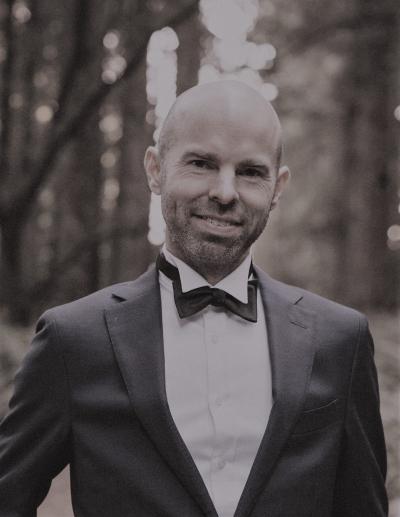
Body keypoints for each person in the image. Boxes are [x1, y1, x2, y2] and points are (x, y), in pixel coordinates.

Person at [0, 80, 387, 517]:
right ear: (155, 169)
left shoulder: (340, 340)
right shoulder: (72, 339)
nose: (225, 192)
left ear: (278, 188)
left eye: (250, 172)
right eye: (201, 163)